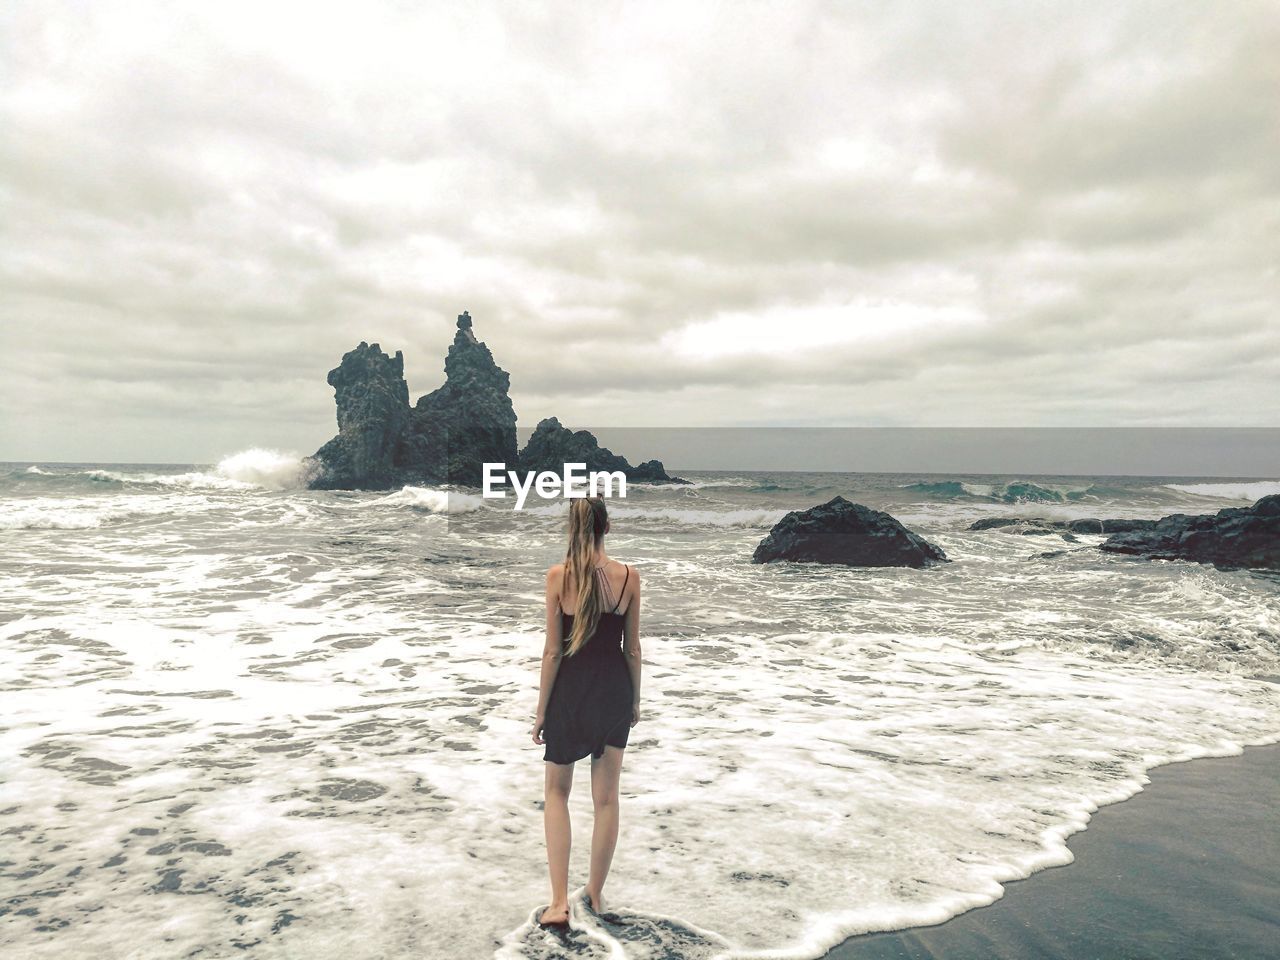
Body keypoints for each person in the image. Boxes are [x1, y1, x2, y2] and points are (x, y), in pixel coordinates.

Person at [531, 496, 642, 928]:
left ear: (573, 529)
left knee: (557, 795)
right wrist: (634, 699)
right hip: (613, 690)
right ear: (606, 527)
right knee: (607, 799)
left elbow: (553, 653)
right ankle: (595, 895)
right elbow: (631, 648)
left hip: (571, 694)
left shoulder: (559, 577)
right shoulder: (630, 577)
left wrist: (541, 711)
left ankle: (559, 903)